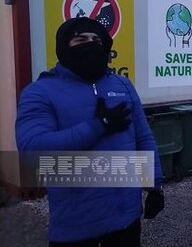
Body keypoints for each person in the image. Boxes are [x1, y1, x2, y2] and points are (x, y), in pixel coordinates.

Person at [15, 17, 164, 246]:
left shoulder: (122, 85)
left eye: (97, 40)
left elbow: (143, 137)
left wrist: (155, 184)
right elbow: (34, 151)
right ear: (64, 45)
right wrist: (98, 126)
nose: (91, 44)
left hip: (126, 218)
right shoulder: (40, 92)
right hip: (76, 226)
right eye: (81, 39)